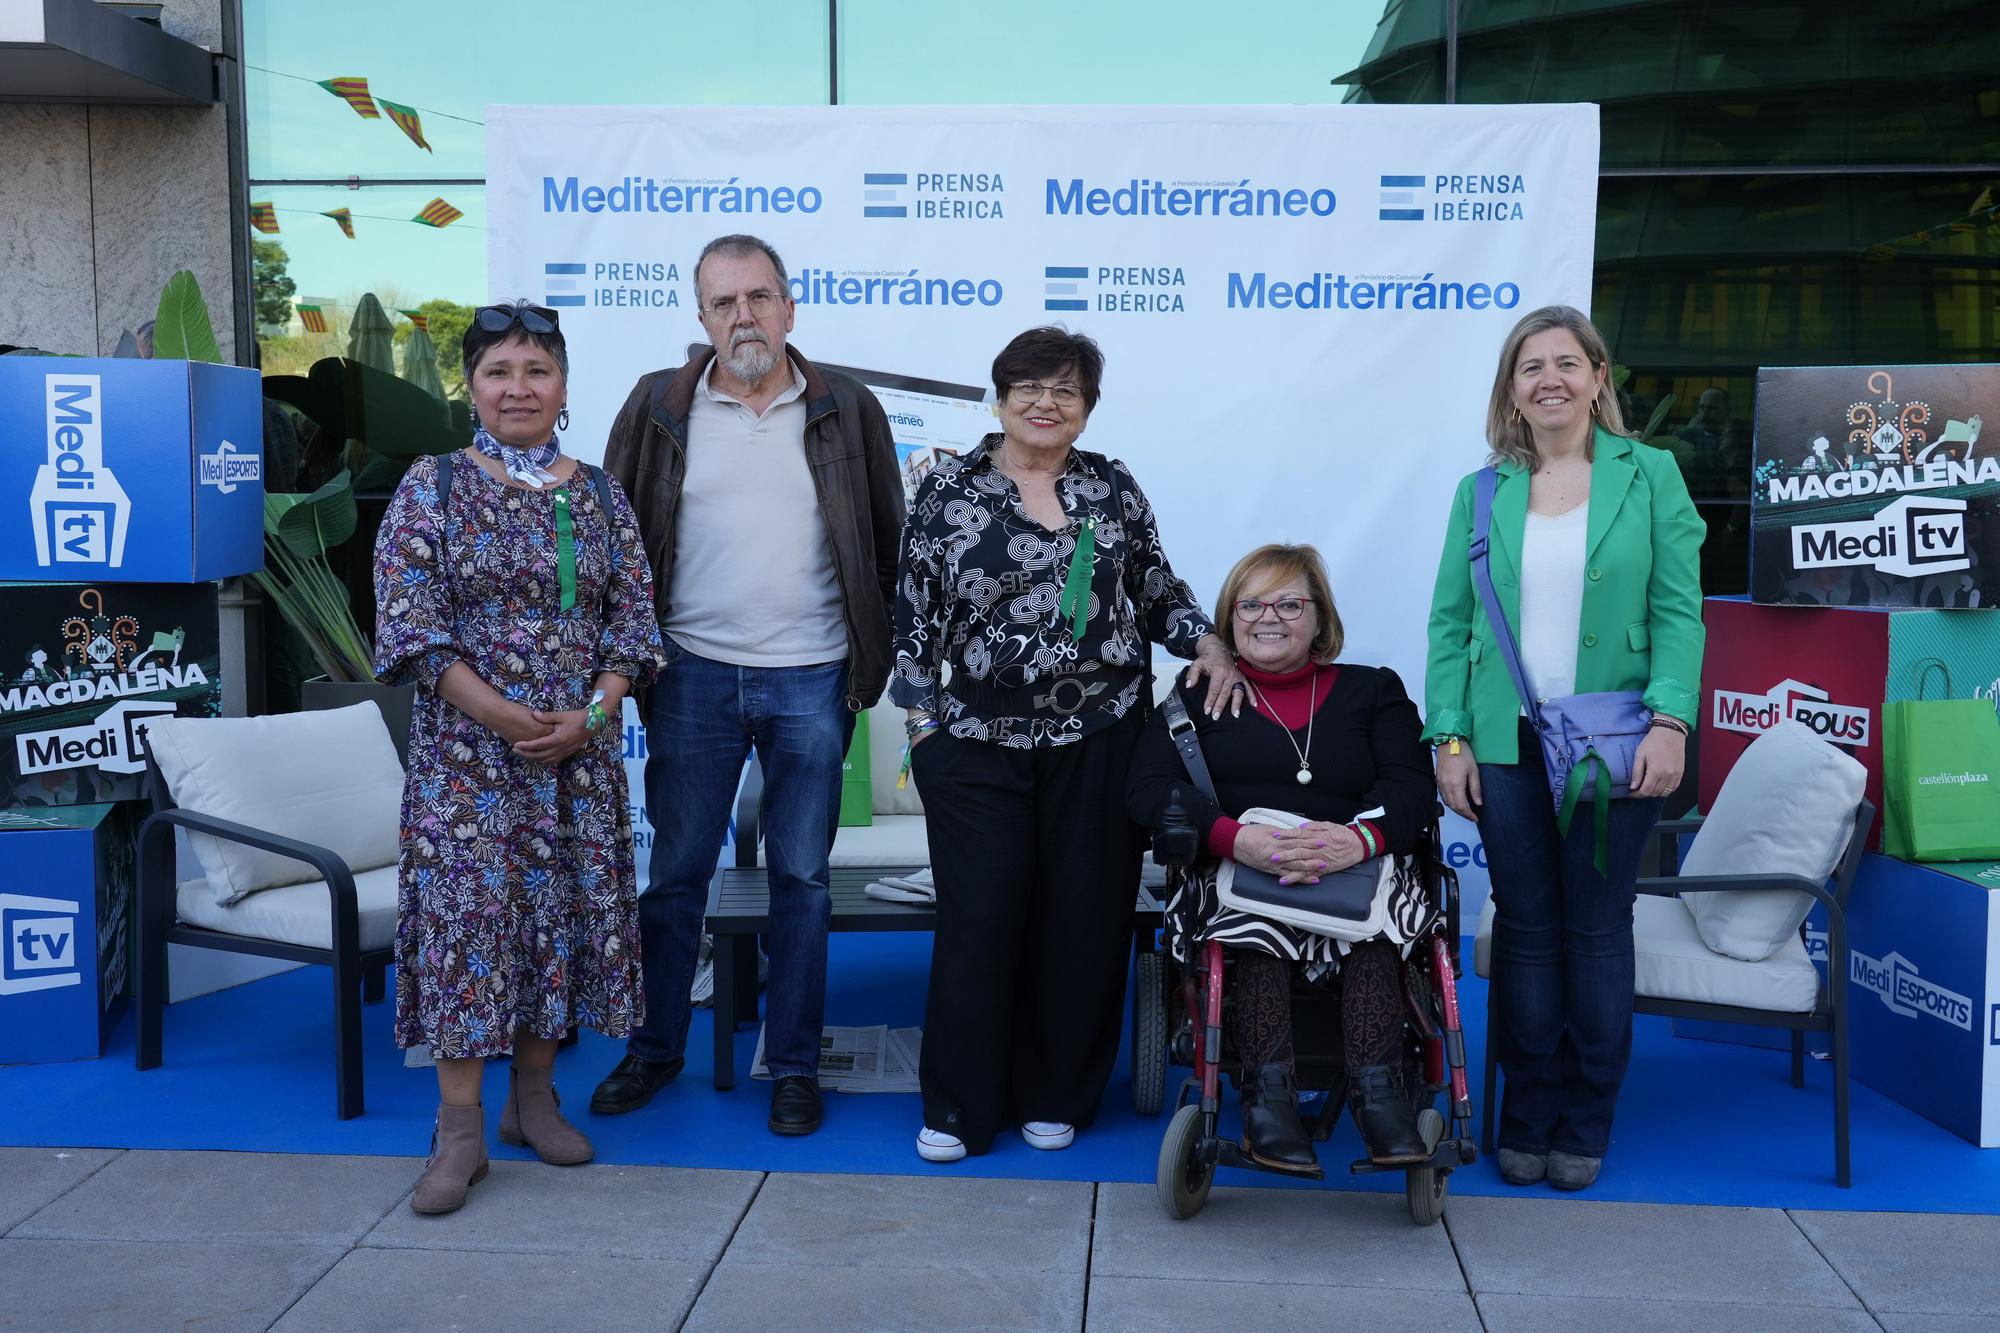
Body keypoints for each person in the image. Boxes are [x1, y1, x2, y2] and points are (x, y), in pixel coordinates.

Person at [895, 326, 1244, 1162]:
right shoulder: (946, 490)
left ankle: (1058, 1094)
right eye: (1030, 386)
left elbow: (1157, 587)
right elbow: (910, 620)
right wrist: (924, 733)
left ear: (1087, 409)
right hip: (977, 742)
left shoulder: (1113, 488)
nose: (1046, 402)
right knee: (981, 922)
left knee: (1081, 920)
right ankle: (959, 1107)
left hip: (1102, 736)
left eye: (1067, 390)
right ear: (1000, 395)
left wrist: (1207, 640)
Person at [598, 234, 904, 1137]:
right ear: (700, 316)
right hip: (689, 672)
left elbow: (886, 541)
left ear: (789, 306)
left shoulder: (847, 405)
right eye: (725, 302)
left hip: (813, 675)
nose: (745, 316)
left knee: (802, 881)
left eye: (760, 297)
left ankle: (795, 1064)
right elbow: (617, 537)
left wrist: (874, 659)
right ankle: (654, 1049)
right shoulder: (658, 404)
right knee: (676, 877)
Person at [373, 300, 664, 1214]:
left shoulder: (602, 495)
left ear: (565, 388)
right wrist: (506, 717)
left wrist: (591, 712)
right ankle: (458, 1130)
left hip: (575, 764)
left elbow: (634, 627)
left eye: (537, 371)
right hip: (467, 766)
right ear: (474, 388)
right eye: (500, 371)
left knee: (558, 922)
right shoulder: (435, 487)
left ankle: (533, 1103)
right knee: (469, 930)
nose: (519, 388)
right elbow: (411, 625)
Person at [1423, 305, 1704, 1191]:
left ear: (1597, 376)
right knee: (1529, 934)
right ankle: (1530, 1110)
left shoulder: (1651, 475)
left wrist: (1672, 721)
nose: (1549, 378)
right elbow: (1449, 625)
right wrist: (1452, 738)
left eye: (1565, 362)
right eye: (1529, 366)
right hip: (1503, 746)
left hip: (1616, 747)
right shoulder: (1482, 491)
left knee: (1596, 931)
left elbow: (1677, 611)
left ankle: (1586, 1117)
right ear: (1511, 388)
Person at [1126, 544, 1437, 1173]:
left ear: (1320, 618)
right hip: (1239, 874)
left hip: (1358, 869)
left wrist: (1357, 840)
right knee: (1252, 928)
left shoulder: (1373, 691)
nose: (1269, 617)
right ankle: (1268, 1104)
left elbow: (1412, 789)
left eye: (1290, 603)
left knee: (1374, 927)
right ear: (1229, 617)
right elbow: (1146, 790)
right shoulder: (1196, 696)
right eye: (1251, 603)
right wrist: (1232, 838)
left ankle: (1381, 1102)